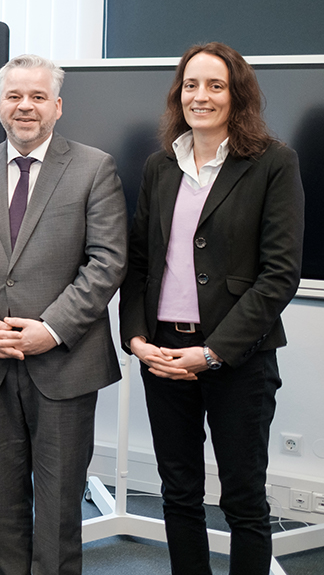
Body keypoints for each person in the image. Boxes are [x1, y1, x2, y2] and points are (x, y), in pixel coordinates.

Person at [119, 42, 303, 575]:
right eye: (191, 85)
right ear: (179, 93)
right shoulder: (160, 165)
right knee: (178, 495)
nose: (201, 96)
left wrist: (214, 351)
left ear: (236, 94)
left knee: (244, 502)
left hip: (237, 358)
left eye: (215, 85)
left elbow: (278, 276)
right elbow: (138, 262)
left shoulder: (273, 163)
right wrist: (136, 339)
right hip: (162, 354)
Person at [0, 54, 127, 575]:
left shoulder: (95, 167)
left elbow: (108, 260)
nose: (24, 106)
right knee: (1, 504)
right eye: (14, 96)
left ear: (57, 106)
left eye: (37, 96)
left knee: (57, 508)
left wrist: (51, 329)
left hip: (64, 365)